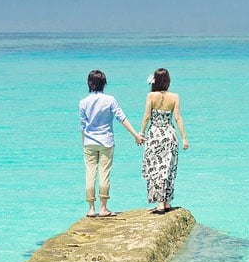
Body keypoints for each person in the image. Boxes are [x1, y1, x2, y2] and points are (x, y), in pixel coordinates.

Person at [79, 70, 143, 218]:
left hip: (89, 142)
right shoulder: (110, 100)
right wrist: (136, 135)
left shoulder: (83, 102)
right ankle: (103, 208)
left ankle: (90, 208)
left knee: (90, 174)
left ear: (89, 83)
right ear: (104, 84)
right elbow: (122, 118)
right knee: (104, 173)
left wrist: (84, 143)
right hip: (106, 142)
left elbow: (82, 126)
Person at [139, 68, 189, 214]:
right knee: (168, 168)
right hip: (169, 134)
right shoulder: (175, 97)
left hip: (155, 134)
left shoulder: (151, 96)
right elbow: (178, 118)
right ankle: (166, 201)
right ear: (167, 81)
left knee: (155, 168)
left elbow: (147, 117)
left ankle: (160, 204)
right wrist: (184, 137)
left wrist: (141, 133)